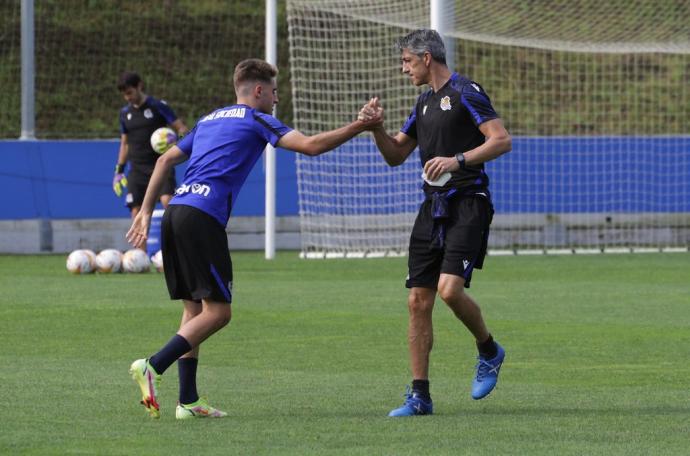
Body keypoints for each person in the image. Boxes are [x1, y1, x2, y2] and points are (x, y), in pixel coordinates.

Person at [126, 58, 382, 420]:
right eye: (274, 92)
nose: (276, 99)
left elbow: (165, 161)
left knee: (193, 309)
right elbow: (309, 146)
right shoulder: (256, 118)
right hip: (202, 217)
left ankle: (188, 401)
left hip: (176, 213)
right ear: (258, 91)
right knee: (219, 312)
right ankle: (153, 365)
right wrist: (361, 125)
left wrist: (146, 211)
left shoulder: (210, 118)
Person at [358, 29, 512, 417]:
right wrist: (375, 127)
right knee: (417, 300)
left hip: (468, 205)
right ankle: (419, 396)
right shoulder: (423, 102)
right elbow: (395, 154)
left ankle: (489, 349)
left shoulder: (466, 92)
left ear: (428, 58)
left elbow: (500, 139)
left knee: (448, 290)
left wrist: (458, 159)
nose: (403, 67)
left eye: (407, 60)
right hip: (433, 208)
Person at [114, 72, 189, 218]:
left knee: (168, 201)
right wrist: (119, 171)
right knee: (137, 212)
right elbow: (124, 143)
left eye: (130, 92)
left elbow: (182, 128)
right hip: (137, 170)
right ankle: (141, 241)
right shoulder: (124, 114)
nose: (128, 97)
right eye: (125, 95)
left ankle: (177, 240)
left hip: (161, 164)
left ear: (139, 86)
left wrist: (176, 143)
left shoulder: (158, 106)